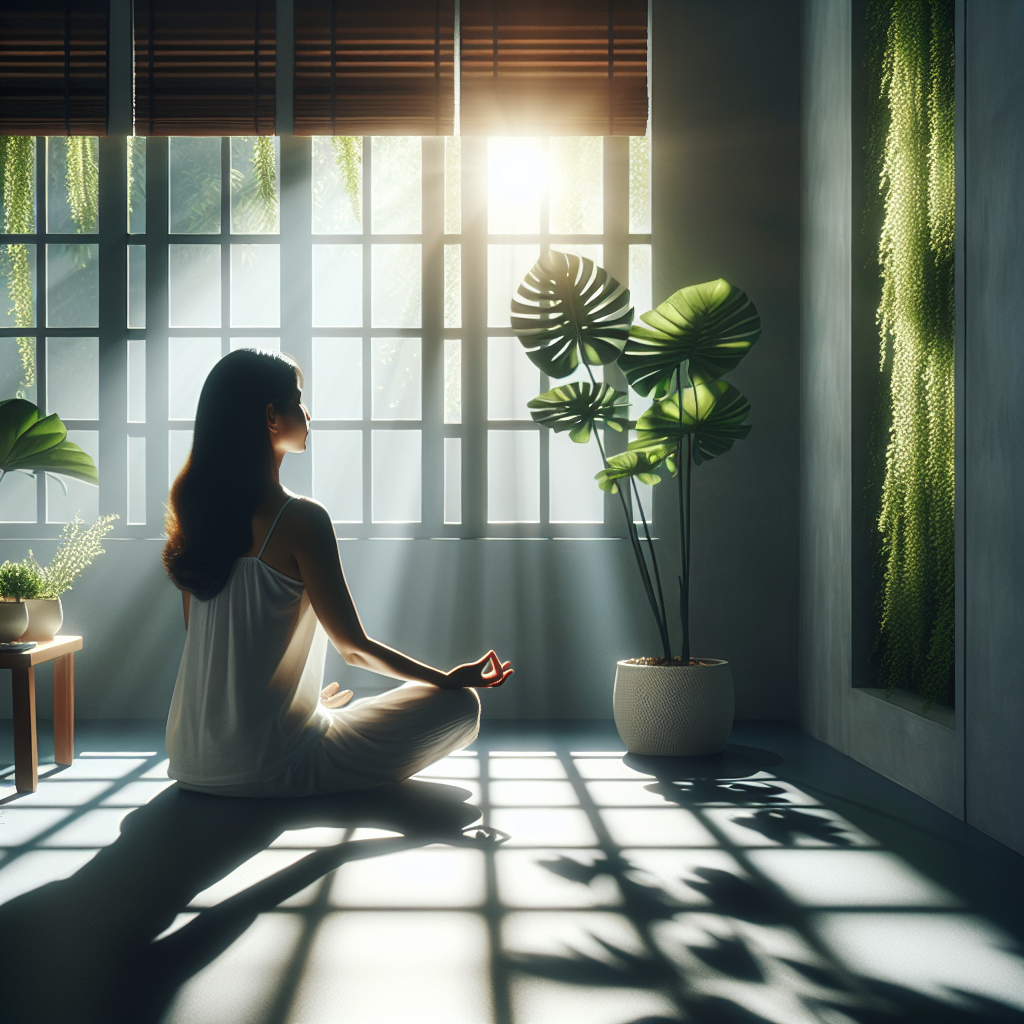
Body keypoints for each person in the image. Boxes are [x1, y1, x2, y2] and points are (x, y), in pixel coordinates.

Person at [161, 349, 512, 797]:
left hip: (190, 761)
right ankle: (301, 733)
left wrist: (292, 705)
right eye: (298, 399)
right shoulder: (301, 519)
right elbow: (354, 649)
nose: (308, 413)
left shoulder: (198, 516)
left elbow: (207, 648)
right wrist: (447, 679)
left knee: (332, 715)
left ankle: (299, 721)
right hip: (269, 766)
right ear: (271, 416)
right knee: (463, 706)